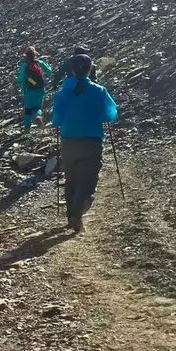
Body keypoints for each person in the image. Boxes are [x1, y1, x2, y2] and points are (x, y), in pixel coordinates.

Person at [51, 54, 118, 234]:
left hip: (68, 141)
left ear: (71, 70)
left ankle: (71, 215)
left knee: (71, 178)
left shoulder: (62, 92)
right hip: (91, 141)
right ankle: (76, 215)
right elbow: (111, 115)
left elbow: (55, 119)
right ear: (90, 69)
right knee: (87, 180)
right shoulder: (99, 91)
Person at [15, 46, 53, 130]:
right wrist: (47, 63)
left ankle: (27, 128)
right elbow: (50, 72)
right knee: (37, 107)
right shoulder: (40, 63)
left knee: (28, 108)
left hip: (28, 90)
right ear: (35, 55)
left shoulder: (24, 65)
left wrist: (15, 79)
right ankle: (38, 116)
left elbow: (20, 79)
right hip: (40, 88)